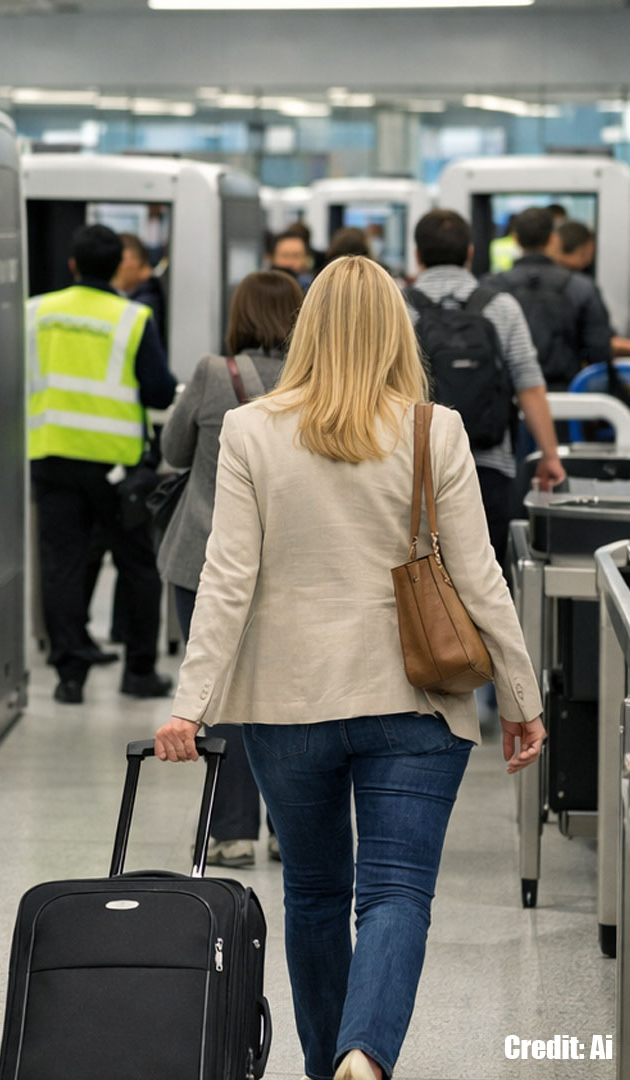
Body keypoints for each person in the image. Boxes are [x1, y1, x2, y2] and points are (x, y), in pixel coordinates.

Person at [153, 255, 546, 1080]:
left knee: (315, 895)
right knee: (397, 894)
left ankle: (326, 1061)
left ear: (311, 330)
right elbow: (478, 577)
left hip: (286, 704)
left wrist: (190, 705)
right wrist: (520, 695)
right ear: (395, 332)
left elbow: (228, 576)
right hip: (412, 697)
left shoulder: (255, 428)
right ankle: (363, 1060)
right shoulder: (431, 427)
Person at [158, 269, 302, 868]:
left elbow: (171, 452)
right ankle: (287, 829)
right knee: (290, 696)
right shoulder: (314, 381)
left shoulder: (217, 374)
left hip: (204, 557)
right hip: (290, 563)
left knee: (220, 694)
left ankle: (231, 833)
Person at [28, 223, 178, 705]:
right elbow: (157, 389)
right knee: (137, 566)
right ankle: (139, 671)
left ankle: (69, 676)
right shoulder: (133, 318)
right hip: (115, 469)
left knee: (63, 566)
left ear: (73, 264)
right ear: (118, 267)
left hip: (51, 456)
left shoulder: (37, 312)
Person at [408, 208, 565, 563]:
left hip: (414, 465)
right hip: (489, 465)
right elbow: (529, 384)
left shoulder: (399, 307)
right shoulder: (500, 306)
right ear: (470, 252)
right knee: (485, 571)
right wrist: (550, 456)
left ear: (417, 254)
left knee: (418, 576)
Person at [484, 206, 614, 391]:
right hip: (570, 398)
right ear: (553, 239)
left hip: (507, 399)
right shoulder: (582, 287)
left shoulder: (489, 288)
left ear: (515, 239)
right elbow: (600, 350)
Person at [112, 232, 168, 346]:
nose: (113, 270)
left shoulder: (144, 304)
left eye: (117, 262)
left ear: (130, 260)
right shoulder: (153, 292)